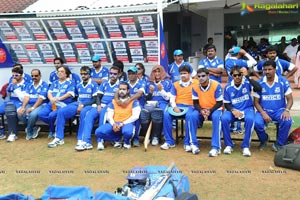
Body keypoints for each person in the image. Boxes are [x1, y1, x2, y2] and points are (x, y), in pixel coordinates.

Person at [48, 66, 98, 149]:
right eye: (81, 74)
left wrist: (83, 105)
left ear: (89, 74)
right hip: (78, 104)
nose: (83, 76)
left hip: (89, 105)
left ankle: (81, 140)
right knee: (62, 112)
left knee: (83, 113)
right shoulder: (79, 85)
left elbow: (95, 99)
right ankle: (59, 138)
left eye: (85, 74)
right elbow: (74, 97)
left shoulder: (93, 84)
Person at [221, 66, 262, 157]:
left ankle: (246, 146)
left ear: (242, 75)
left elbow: (259, 88)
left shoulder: (247, 82)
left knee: (250, 119)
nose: (237, 77)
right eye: (235, 75)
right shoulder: (228, 87)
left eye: (239, 75)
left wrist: (247, 76)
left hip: (247, 109)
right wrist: (232, 110)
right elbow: (227, 104)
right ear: (231, 76)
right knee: (224, 118)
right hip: (234, 109)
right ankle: (228, 145)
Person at [254, 60, 293, 152]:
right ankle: (264, 139)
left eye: (269, 69)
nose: (267, 72)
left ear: (275, 69)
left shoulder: (283, 81)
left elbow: (290, 99)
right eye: (265, 70)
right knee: (256, 122)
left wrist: (286, 111)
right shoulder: (259, 83)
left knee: (287, 120)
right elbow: (256, 102)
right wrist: (263, 113)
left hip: (279, 111)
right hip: (264, 111)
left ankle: (279, 143)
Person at [78, 66, 120, 151]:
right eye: (111, 73)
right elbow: (98, 96)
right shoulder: (105, 83)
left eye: (115, 74)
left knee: (103, 116)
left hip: (112, 108)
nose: (112, 75)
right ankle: (87, 142)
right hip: (101, 105)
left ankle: (100, 141)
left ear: (119, 74)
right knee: (89, 115)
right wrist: (98, 105)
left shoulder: (121, 84)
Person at [160, 65, 199, 153]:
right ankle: (169, 141)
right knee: (166, 115)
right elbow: (172, 98)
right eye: (181, 73)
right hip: (178, 106)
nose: (183, 75)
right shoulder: (175, 84)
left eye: (185, 73)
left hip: (191, 106)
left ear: (189, 74)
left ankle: (187, 142)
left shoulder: (196, 83)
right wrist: (174, 107)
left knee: (190, 116)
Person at [187, 68, 223, 157]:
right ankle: (193, 144)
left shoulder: (216, 85)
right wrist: (201, 111)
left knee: (217, 118)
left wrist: (209, 111)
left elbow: (219, 103)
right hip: (202, 109)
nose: (201, 78)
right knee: (192, 116)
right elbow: (195, 103)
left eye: (203, 76)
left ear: (208, 76)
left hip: (215, 109)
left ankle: (216, 147)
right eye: (199, 76)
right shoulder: (195, 87)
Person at [95, 82, 141, 150]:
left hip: (127, 124)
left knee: (127, 132)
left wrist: (123, 123)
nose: (121, 91)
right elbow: (109, 115)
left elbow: (136, 116)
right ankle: (118, 140)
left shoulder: (134, 102)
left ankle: (126, 142)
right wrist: (113, 124)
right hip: (115, 123)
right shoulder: (113, 101)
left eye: (124, 89)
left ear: (128, 91)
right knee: (98, 132)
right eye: (120, 89)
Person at [38, 66, 75, 140]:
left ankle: (52, 130)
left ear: (66, 74)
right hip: (52, 104)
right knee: (40, 114)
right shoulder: (54, 82)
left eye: (62, 71)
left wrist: (59, 98)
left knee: (52, 116)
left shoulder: (70, 83)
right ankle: (55, 126)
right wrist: (51, 98)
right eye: (58, 71)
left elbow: (69, 94)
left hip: (62, 104)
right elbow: (49, 92)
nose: (59, 73)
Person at [140, 65, 171, 146]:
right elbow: (146, 98)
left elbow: (168, 98)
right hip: (151, 103)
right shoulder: (149, 83)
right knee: (144, 113)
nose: (157, 74)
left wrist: (161, 90)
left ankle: (156, 136)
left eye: (159, 71)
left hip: (162, 103)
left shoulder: (167, 82)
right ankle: (148, 136)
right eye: (155, 71)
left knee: (158, 112)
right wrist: (150, 92)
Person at [17, 69, 48, 140]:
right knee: (20, 113)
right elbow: (26, 97)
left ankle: (29, 130)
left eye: (36, 76)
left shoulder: (44, 84)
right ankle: (33, 127)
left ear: (40, 76)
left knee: (32, 114)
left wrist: (33, 108)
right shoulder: (30, 84)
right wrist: (23, 107)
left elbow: (41, 99)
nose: (34, 77)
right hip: (30, 103)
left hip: (41, 104)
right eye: (32, 76)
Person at [0, 67, 27, 141]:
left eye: (16, 75)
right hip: (10, 101)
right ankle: (1, 133)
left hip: (20, 102)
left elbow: (22, 98)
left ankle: (13, 134)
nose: (14, 77)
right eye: (13, 75)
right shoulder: (11, 83)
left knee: (11, 111)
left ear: (21, 75)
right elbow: (8, 94)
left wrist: (15, 86)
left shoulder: (26, 84)